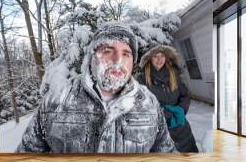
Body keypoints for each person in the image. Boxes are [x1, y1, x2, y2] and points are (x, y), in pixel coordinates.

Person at [16, 24, 177, 153]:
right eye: (107, 51)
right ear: (91, 57)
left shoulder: (148, 103)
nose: (118, 60)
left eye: (126, 54)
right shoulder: (55, 101)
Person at [137, 45, 199, 153]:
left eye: (162, 56)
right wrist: (165, 114)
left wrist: (181, 110)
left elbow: (185, 95)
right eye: (155, 56)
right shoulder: (142, 80)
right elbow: (141, 105)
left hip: (180, 126)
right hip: (158, 131)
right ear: (150, 59)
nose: (159, 59)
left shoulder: (174, 74)